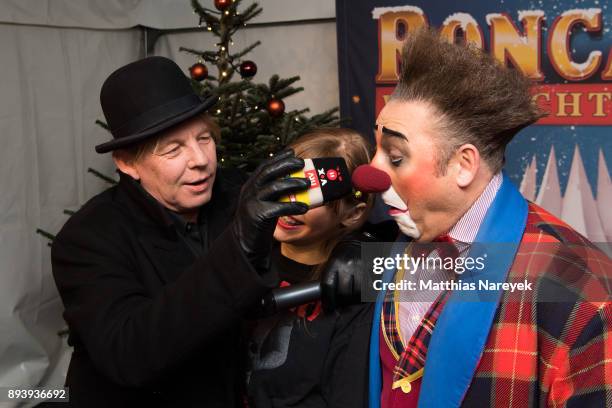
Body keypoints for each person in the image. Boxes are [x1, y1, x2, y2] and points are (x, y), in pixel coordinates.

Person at [358, 28, 612, 407]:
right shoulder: (398, 244)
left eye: (395, 157)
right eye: (377, 149)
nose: (372, 174)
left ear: (463, 166)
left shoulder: (581, 291)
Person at [51, 56, 311, 407]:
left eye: (203, 138)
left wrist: (355, 255)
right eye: (174, 149)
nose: (201, 159)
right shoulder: (88, 238)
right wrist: (238, 248)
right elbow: (129, 354)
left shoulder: (237, 193)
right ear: (128, 163)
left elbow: (322, 234)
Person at [246, 128, 375, 408]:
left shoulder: (355, 287)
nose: (290, 203)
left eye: (311, 194)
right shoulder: (242, 258)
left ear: (352, 213)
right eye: (287, 184)